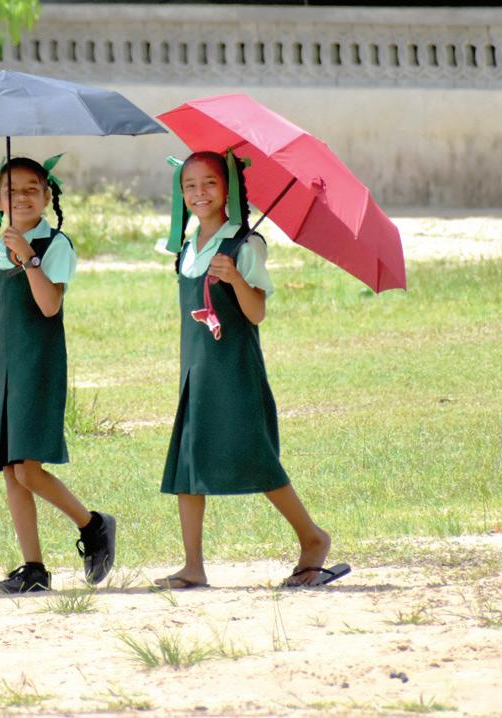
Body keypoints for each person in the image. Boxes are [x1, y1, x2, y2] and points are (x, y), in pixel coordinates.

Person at [154, 150, 349, 590]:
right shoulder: (187, 247)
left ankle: (313, 537)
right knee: (188, 464)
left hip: (234, 370)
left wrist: (236, 278)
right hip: (197, 371)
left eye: (210, 183)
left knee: (255, 457)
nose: (200, 193)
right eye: (190, 185)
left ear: (228, 188)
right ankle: (192, 565)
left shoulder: (245, 245)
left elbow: (256, 312)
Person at [0, 155, 116, 594]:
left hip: (38, 365)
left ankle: (92, 524)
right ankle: (33, 569)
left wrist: (29, 258)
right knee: (10, 471)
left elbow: (50, 305)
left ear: (46, 195)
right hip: (6, 370)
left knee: (28, 469)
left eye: (31, 189)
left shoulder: (55, 245)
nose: (21, 197)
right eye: (11, 191)